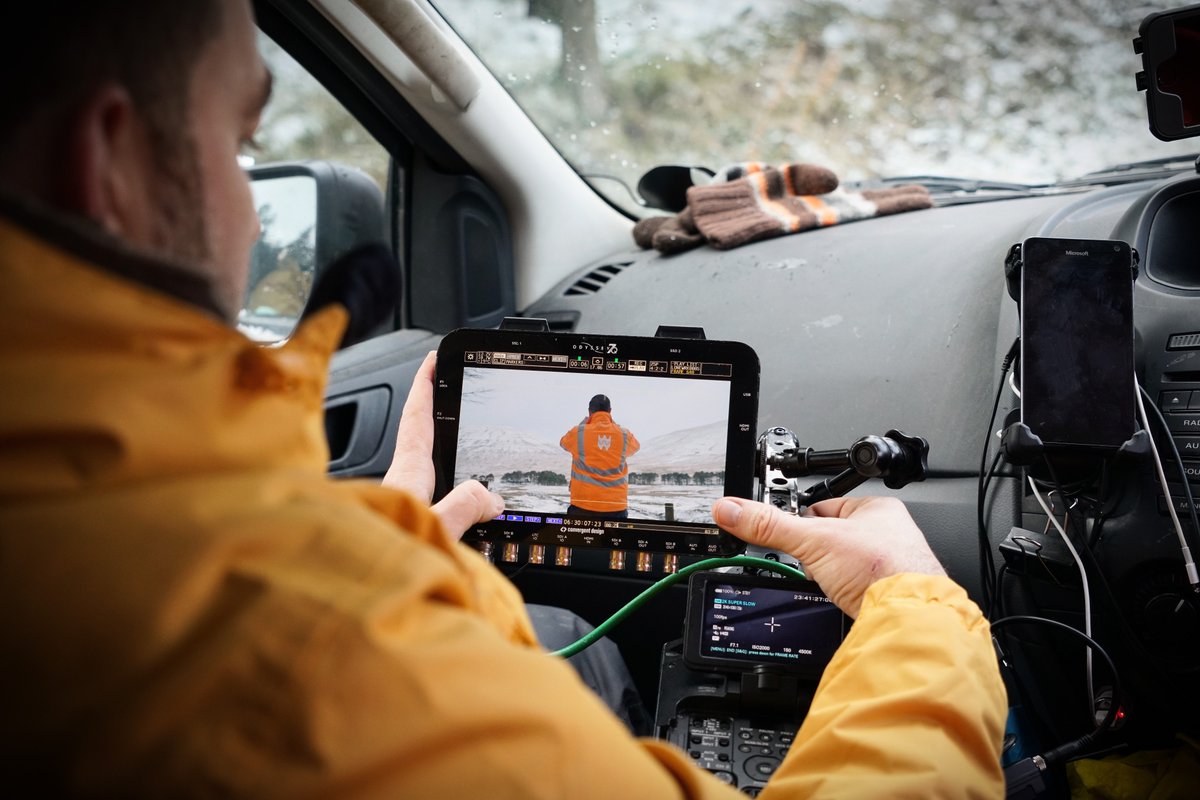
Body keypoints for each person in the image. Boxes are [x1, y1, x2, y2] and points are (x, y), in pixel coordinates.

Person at [0, 1, 1005, 796]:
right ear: (109, 162)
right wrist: (912, 605)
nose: (243, 204)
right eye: (237, 142)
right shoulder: (304, 650)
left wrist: (381, 542)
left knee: (567, 637)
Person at [559, 393, 642, 519]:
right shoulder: (624, 435)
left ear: (589, 411)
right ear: (610, 411)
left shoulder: (578, 432)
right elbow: (635, 447)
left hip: (583, 505)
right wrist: (614, 426)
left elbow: (563, 443)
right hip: (615, 506)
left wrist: (584, 424)